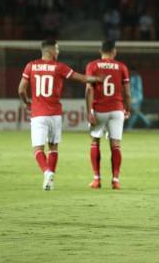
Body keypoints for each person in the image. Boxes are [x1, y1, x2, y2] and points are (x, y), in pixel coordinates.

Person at [18, 39, 101, 191]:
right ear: (50, 51)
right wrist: (97, 79)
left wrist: (27, 103)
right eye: (56, 49)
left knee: (37, 149)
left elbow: (21, 89)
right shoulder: (59, 67)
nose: (58, 52)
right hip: (54, 114)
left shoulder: (30, 66)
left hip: (38, 114)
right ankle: (50, 178)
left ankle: (47, 173)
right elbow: (82, 78)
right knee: (53, 148)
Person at [85, 40, 131, 190]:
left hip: (99, 109)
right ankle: (115, 180)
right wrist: (127, 108)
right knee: (116, 144)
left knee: (95, 141)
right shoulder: (121, 66)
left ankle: (96, 179)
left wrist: (88, 111)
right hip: (117, 109)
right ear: (114, 51)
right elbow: (127, 92)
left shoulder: (92, 66)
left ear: (101, 51)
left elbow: (88, 91)